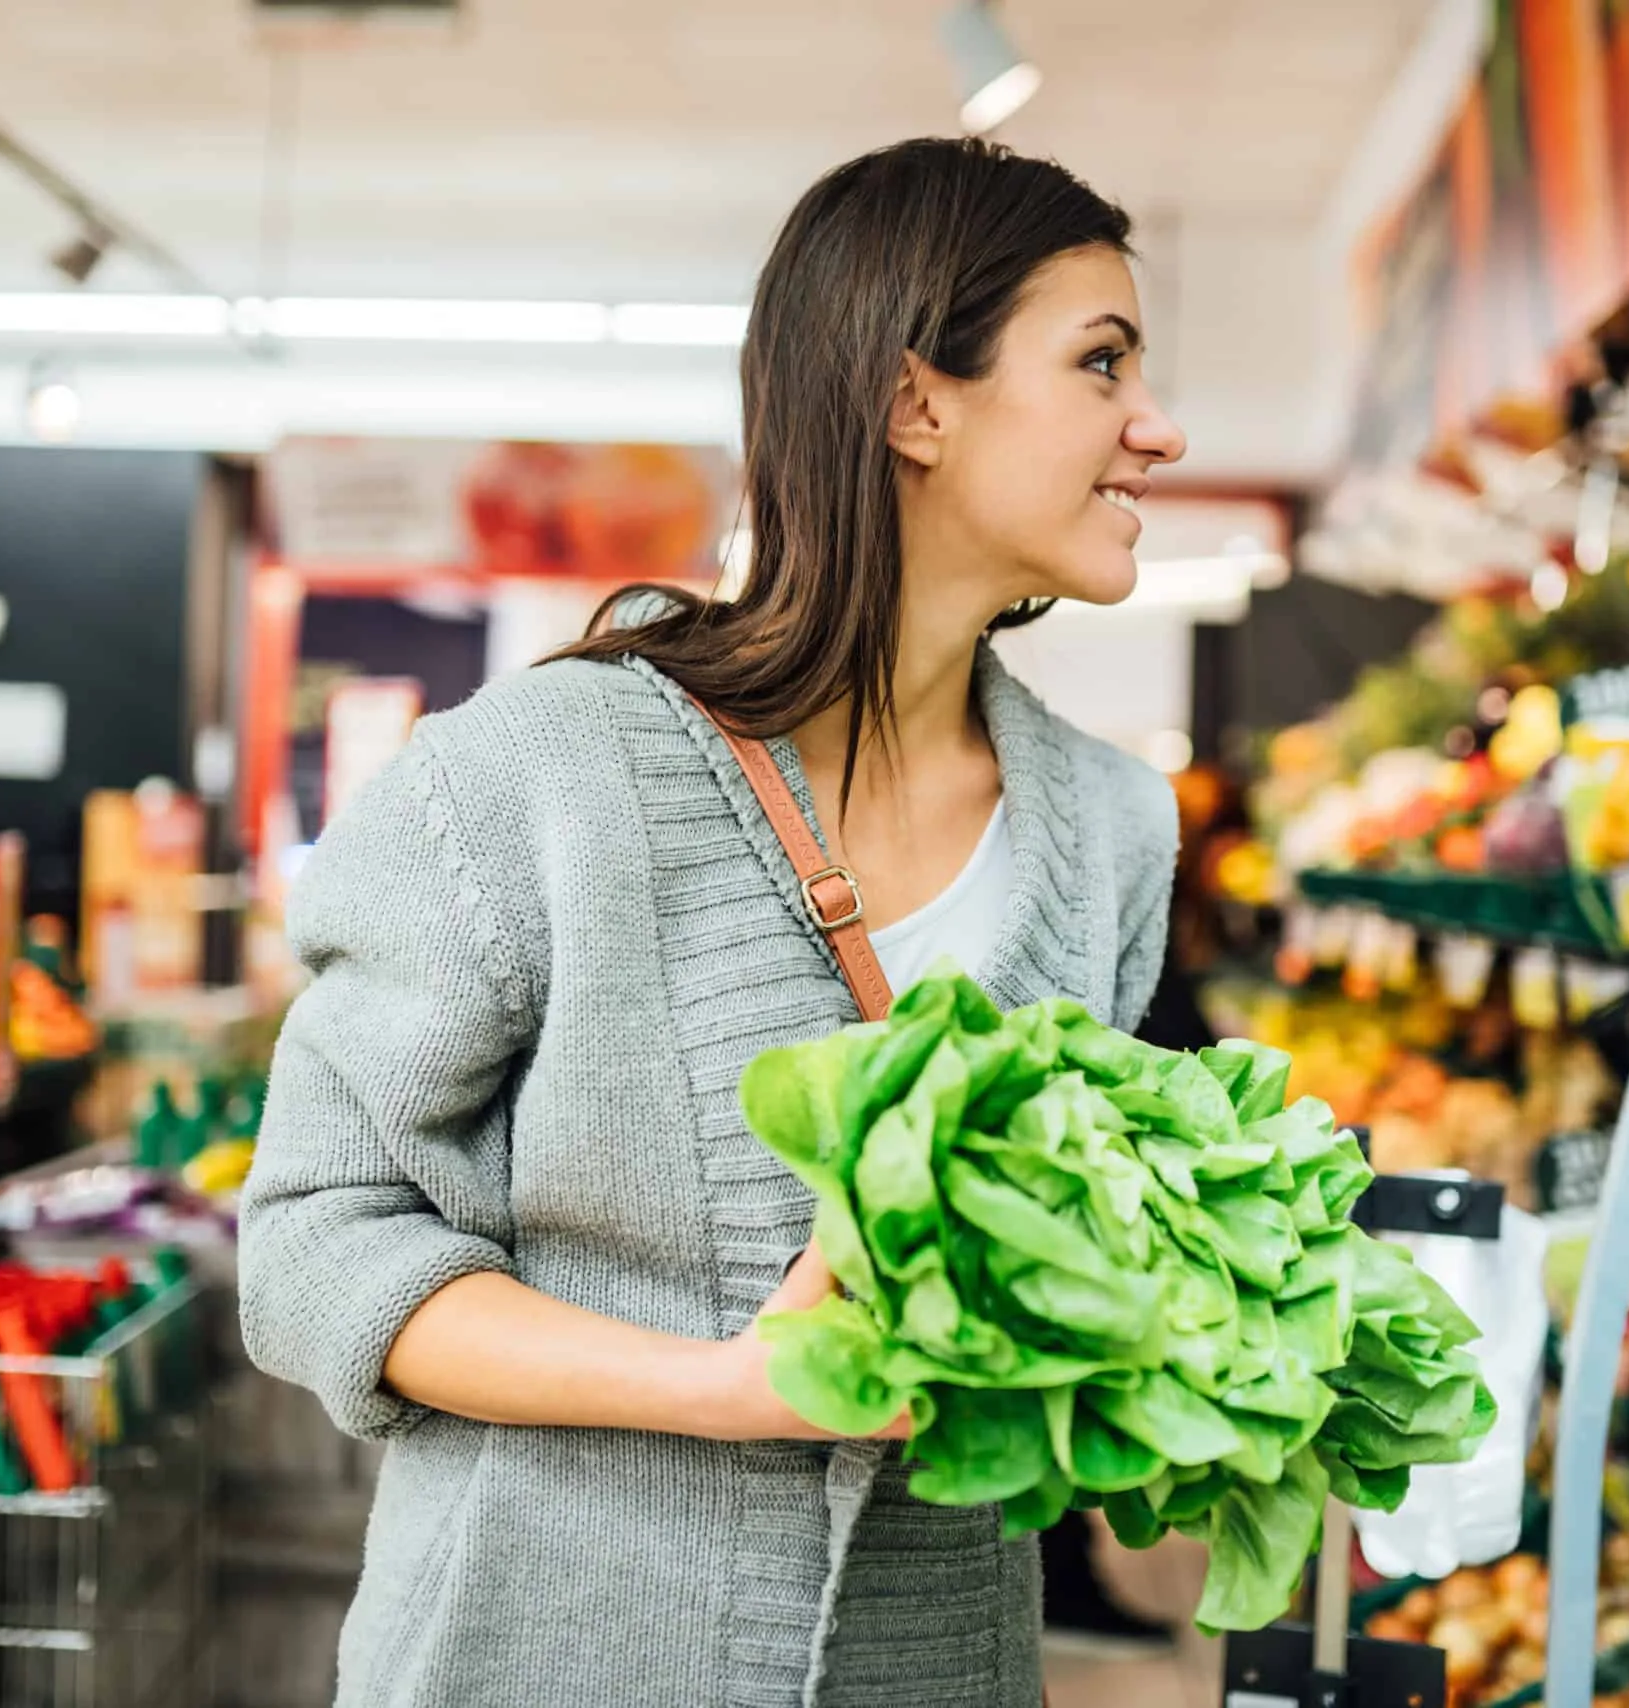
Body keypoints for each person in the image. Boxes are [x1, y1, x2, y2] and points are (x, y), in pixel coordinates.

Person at [237, 135, 1187, 1708]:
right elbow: (313, 1245)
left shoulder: (1111, 830)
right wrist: (725, 1389)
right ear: (914, 405)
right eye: (1101, 364)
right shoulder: (543, 774)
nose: (1155, 429)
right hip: (542, 1660)